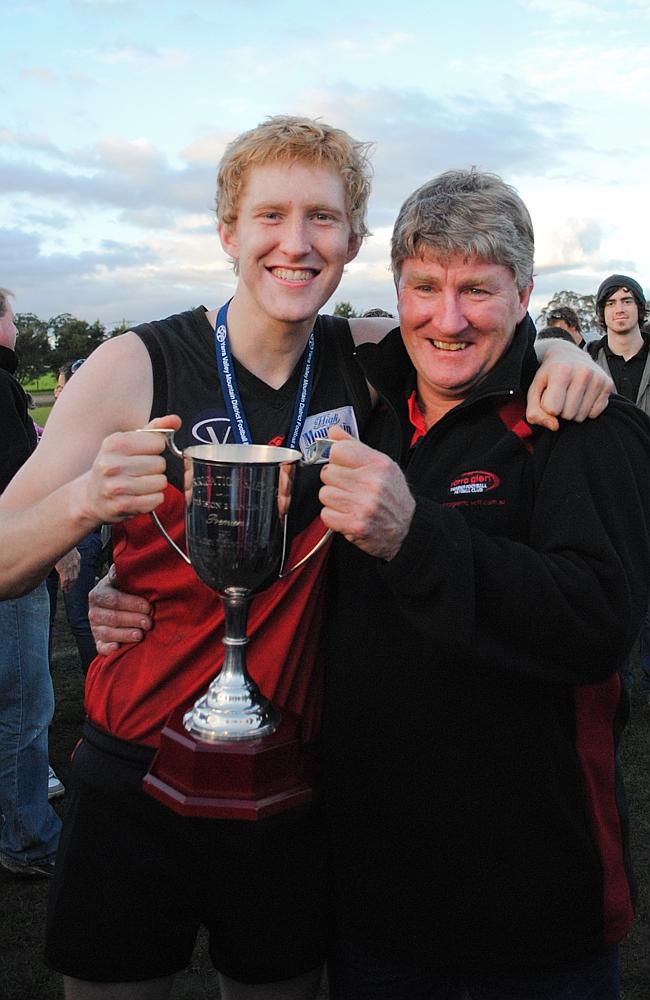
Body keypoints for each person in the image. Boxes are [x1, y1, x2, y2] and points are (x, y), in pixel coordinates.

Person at [0, 118, 612, 1000]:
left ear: (354, 240)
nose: (296, 243)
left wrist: (558, 350)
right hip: (134, 769)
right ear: (227, 232)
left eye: (323, 219)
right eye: (270, 216)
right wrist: (84, 503)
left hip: (291, 776)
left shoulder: (365, 359)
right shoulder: (133, 366)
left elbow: (473, 331)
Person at [310, 170, 650, 1000]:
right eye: (425, 286)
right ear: (396, 288)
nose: (447, 317)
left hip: (531, 910)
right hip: (376, 901)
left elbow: (596, 620)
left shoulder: (580, 425)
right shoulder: (362, 403)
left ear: (524, 290)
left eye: (477, 290)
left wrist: (416, 536)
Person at [0, 288, 62, 878]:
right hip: (10, 571)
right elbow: (24, 482)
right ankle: (29, 838)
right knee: (24, 703)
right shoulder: (2, 386)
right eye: (14, 319)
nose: (17, 331)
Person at [588, 274, 650, 704]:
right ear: (602, 312)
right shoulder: (584, 361)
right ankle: (620, 682)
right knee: (618, 582)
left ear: (640, 308)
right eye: (611, 302)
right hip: (612, 484)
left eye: (627, 300)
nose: (620, 308)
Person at [46, 360, 102, 677]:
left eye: (64, 385)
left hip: (79, 536)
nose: (58, 392)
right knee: (50, 618)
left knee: (81, 618)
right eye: (59, 385)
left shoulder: (90, 431)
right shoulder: (54, 429)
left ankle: (97, 691)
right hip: (49, 534)